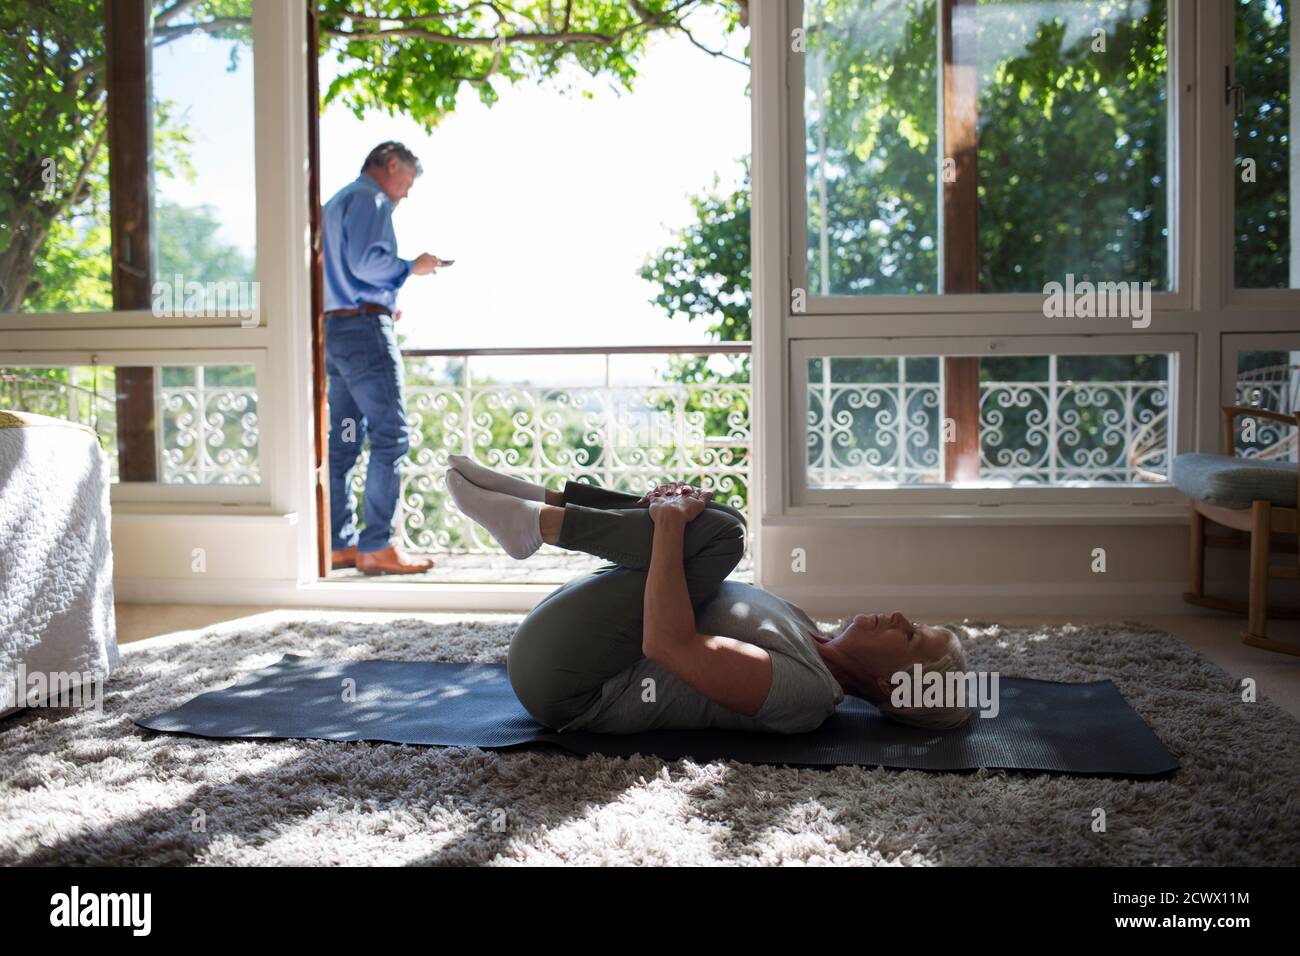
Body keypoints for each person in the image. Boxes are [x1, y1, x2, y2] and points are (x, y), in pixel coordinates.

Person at [444, 455, 974, 734]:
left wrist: (671, 526)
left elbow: (668, 646)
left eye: (910, 636)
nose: (901, 617)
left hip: (569, 683)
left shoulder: (809, 694)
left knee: (718, 533)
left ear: (889, 683)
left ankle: (535, 522)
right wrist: (665, 515)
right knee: (720, 522)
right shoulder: (801, 622)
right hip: (574, 636)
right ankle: (536, 505)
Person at [322, 141, 445, 575]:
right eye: (407, 180)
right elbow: (366, 263)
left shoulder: (335, 202)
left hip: (335, 331)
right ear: (392, 165)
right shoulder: (371, 199)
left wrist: (382, 298)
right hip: (364, 334)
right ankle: (376, 545)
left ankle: (340, 544)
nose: (405, 192)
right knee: (391, 436)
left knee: (346, 440)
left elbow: (338, 270)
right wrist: (411, 267)